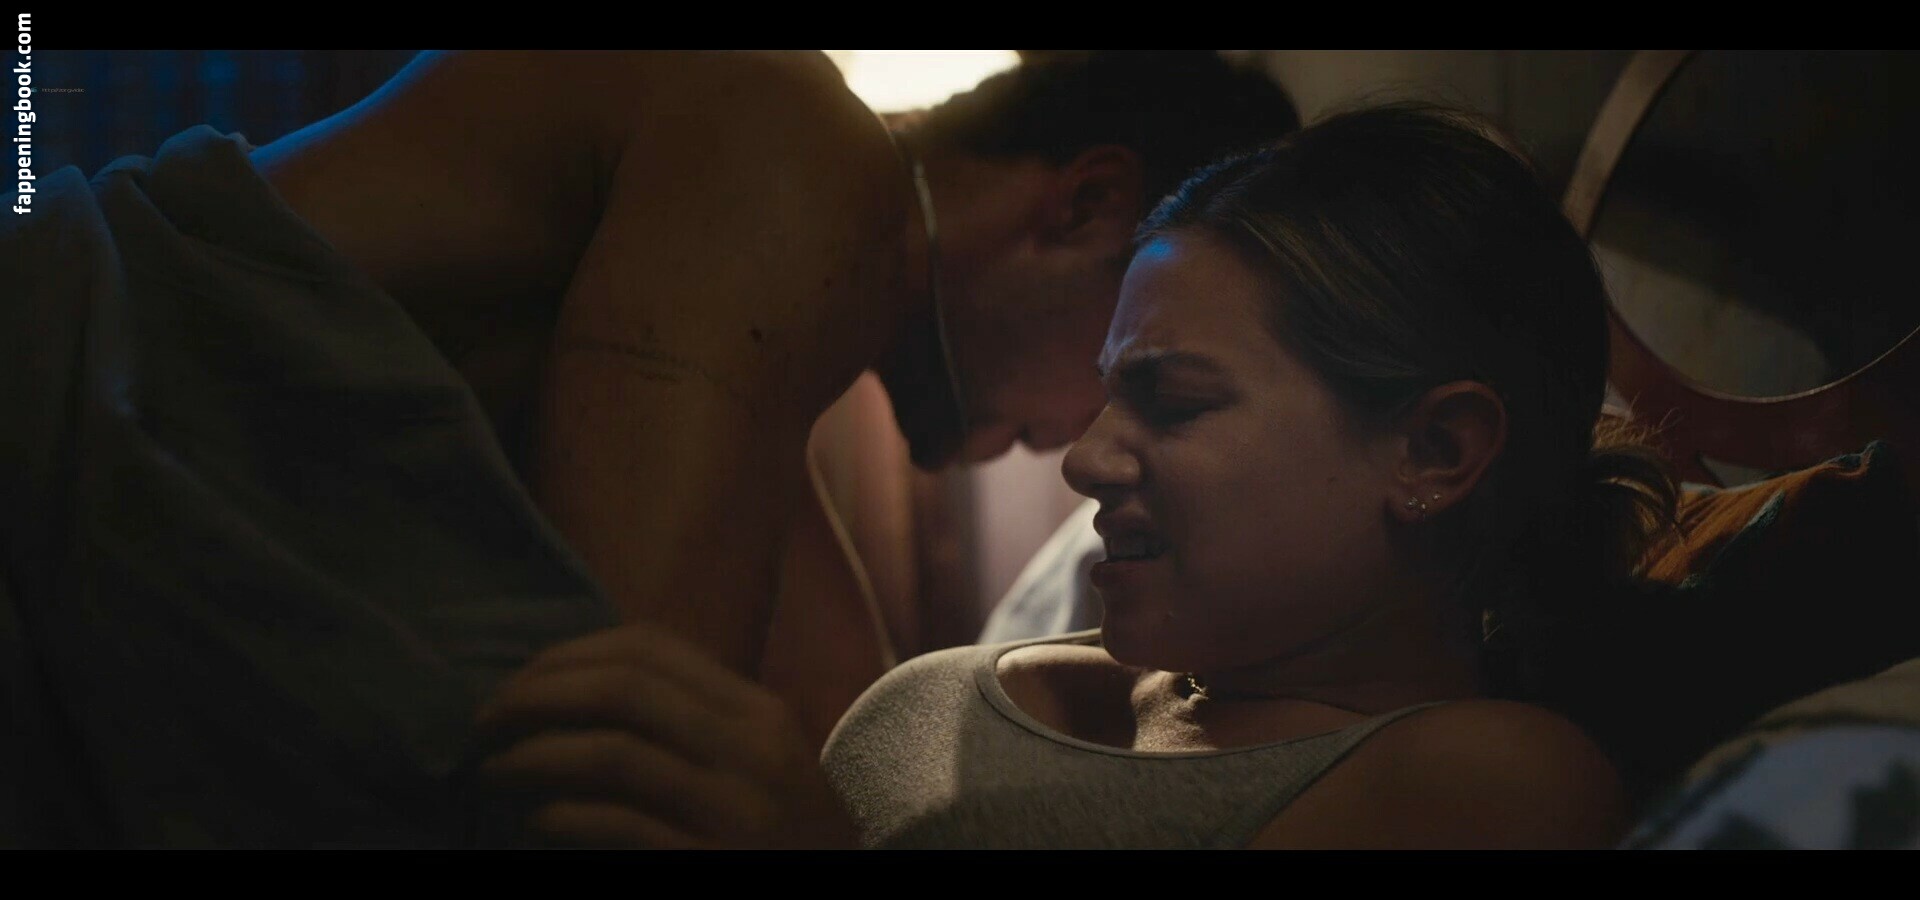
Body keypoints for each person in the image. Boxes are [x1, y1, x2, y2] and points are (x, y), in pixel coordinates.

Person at [0, 50, 1295, 845]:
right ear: (1084, 206)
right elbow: (628, 757)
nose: (1072, 443)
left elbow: (822, 726)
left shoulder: (769, 328)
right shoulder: (793, 143)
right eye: (1128, 365)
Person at [471, 104, 1682, 849]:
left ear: (1435, 454)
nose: (1086, 458)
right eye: (1107, 394)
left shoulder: (1492, 783)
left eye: (1173, 400)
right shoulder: (959, 691)